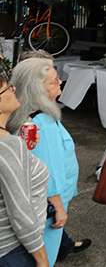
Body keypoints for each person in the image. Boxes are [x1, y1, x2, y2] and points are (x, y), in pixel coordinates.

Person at [6, 59, 89, 266]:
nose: (60, 82)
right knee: (44, 255)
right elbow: (49, 168)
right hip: (47, 204)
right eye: (54, 81)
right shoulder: (43, 122)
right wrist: (58, 207)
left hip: (32, 200)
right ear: (37, 88)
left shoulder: (22, 113)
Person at [0, 73, 49, 267]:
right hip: (12, 249)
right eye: (7, 88)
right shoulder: (8, 146)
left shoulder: (9, 144)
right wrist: (42, 258)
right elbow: (20, 211)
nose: (13, 90)